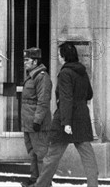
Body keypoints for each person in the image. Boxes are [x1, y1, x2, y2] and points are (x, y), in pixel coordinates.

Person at [35, 41, 98, 187]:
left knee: (53, 156)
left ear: (64, 56)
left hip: (65, 118)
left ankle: (41, 184)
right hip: (82, 116)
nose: (58, 57)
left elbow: (66, 99)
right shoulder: (82, 71)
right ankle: (93, 184)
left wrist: (66, 123)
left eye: (59, 54)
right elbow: (89, 94)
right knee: (87, 155)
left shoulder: (65, 73)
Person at [21, 47, 52, 186]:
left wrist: (37, 120)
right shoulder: (32, 75)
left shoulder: (42, 77)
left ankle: (44, 183)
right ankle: (34, 179)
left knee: (41, 154)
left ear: (35, 61)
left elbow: (43, 101)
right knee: (33, 152)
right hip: (29, 122)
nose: (25, 63)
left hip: (36, 123)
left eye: (27, 60)